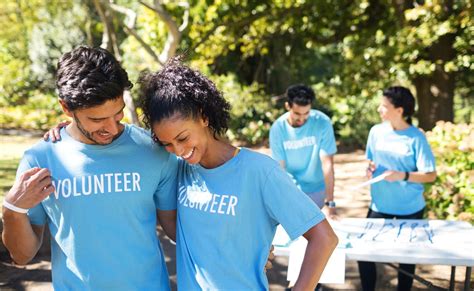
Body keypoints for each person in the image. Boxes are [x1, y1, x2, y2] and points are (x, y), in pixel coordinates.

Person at [137, 58, 339, 290]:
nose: (179, 151)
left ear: (203, 116)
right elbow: (184, 234)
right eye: (167, 144)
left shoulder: (260, 171)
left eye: (182, 138)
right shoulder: (180, 169)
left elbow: (324, 239)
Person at [1, 46, 178, 290]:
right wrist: (12, 210)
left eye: (118, 114)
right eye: (97, 120)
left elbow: (178, 230)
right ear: (66, 108)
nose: (113, 129)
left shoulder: (153, 149)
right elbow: (22, 256)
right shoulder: (40, 160)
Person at [357, 86, 437, 291]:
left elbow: (430, 175)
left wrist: (402, 175)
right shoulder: (376, 131)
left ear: (399, 110)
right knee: (363, 253)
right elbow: (370, 160)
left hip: (410, 209)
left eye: (384, 106)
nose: (379, 109)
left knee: (406, 259)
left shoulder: (416, 137)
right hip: (379, 205)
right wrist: (370, 168)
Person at [269, 84, 338, 218]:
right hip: (291, 191)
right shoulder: (278, 128)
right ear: (287, 106)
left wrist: (330, 203)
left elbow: (327, 164)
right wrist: (281, 201)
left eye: (306, 113)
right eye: (297, 114)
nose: (301, 119)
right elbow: (280, 169)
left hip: (318, 190)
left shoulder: (322, 122)